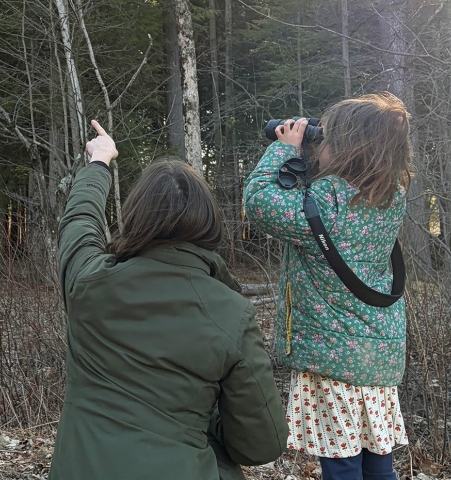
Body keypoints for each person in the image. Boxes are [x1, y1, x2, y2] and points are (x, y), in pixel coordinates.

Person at [50, 120, 288, 480]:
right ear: (209, 223)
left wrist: (99, 162)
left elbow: (79, 222)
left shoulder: (87, 282)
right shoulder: (231, 314)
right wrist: (206, 417)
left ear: (135, 218)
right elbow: (261, 445)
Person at [243, 93, 413, 480]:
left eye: (326, 139)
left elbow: (259, 202)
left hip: (332, 359)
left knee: (342, 467)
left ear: (345, 149)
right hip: (377, 356)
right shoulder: (391, 196)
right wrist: (304, 159)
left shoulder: (328, 199)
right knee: (377, 461)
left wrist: (283, 150)